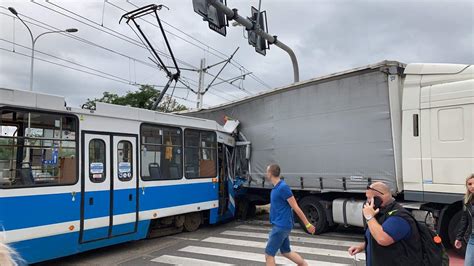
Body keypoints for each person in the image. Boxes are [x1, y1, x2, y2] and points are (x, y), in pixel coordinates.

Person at [348, 182, 422, 266]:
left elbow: (383, 239)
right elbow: (376, 233)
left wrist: (369, 217)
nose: (367, 202)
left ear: (378, 199)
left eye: (369, 198)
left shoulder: (399, 217)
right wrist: (363, 246)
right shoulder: (380, 213)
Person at [265, 164, 316, 266]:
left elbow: (295, 207)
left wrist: (308, 224)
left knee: (269, 254)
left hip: (281, 226)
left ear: (270, 173)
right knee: (286, 251)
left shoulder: (283, 187)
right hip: (281, 225)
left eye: (267, 172)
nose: (266, 174)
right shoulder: (277, 188)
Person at [454, 174, 474, 266]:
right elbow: (464, 220)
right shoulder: (467, 201)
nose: (472, 186)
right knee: (468, 264)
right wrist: (459, 238)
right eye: (469, 184)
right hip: (472, 238)